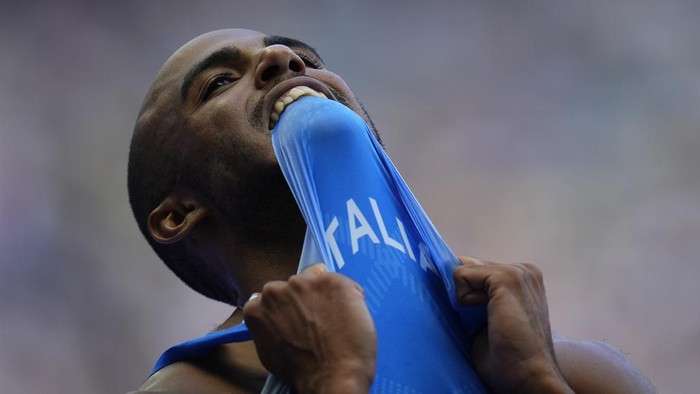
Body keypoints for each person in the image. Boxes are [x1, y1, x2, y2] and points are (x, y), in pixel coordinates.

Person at [127, 29, 655, 393]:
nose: (284, 60)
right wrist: (333, 383)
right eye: (218, 82)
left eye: (304, 57)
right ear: (178, 213)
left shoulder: (576, 373)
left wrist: (538, 379)